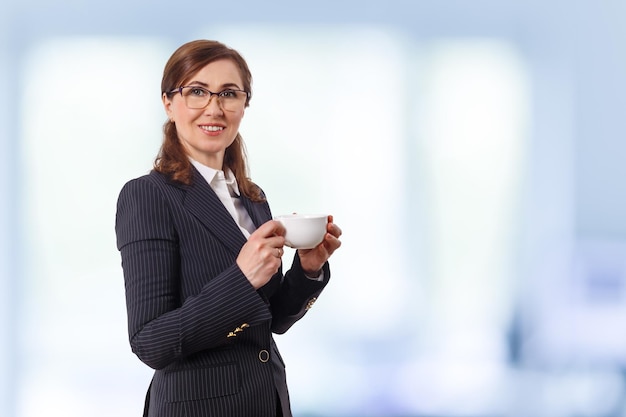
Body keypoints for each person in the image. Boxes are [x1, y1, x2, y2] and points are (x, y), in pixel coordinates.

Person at [115, 39, 342, 417]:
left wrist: (308, 268)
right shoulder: (147, 195)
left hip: (265, 403)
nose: (214, 108)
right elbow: (150, 342)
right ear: (169, 103)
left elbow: (272, 321)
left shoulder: (252, 198)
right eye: (197, 92)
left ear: (244, 105)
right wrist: (241, 277)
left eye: (229, 94)